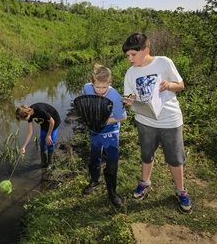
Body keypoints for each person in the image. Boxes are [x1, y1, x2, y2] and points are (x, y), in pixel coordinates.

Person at [122, 32, 192, 214]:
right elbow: (131, 94)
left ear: (146, 50)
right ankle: (145, 183)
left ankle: (181, 191)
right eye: (127, 55)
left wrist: (169, 85)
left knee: (175, 158)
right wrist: (129, 100)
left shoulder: (164, 62)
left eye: (133, 54)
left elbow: (181, 85)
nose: (130, 59)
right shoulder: (130, 73)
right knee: (147, 154)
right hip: (145, 120)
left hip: (170, 120)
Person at [82, 64, 127, 207]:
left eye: (104, 87)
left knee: (112, 160)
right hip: (95, 131)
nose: (101, 91)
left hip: (111, 131)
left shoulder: (114, 96)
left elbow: (122, 117)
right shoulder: (87, 88)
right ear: (92, 82)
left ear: (110, 83)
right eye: (98, 87)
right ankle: (95, 180)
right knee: (94, 156)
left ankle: (112, 192)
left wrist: (103, 120)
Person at [15, 103, 61, 169]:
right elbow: (30, 132)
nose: (24, 121)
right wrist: (24, 146)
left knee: (50, 143)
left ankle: (50, 163)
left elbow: (52, 122)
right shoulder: (29, 115)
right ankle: (43, 162)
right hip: (44, 124)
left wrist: (48, 135)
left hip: (53, 123)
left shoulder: (40, 110)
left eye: (24, 119)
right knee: (42, 143)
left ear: (27, 114)